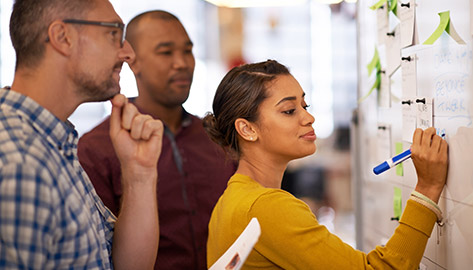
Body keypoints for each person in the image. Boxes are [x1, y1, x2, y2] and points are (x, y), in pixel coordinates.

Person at [203, 60, 449, 269]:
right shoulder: (266, 207)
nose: (308, 117)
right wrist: (427, 188)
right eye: (289, 110)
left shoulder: (231, 199)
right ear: (247, 129)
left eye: (304, 106)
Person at [0, 0, 164, 269]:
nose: (128, 54)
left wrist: (139, 174)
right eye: (114, 33)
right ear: (63, 37)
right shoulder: (20, 163)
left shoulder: (52, 142)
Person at [77, 10, 236, 269]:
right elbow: (98, 251)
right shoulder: (98, 147)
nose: (182, 63)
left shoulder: (217, 136)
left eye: (187, 51)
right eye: (165, 52)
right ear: (133, 62)